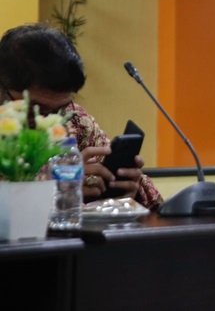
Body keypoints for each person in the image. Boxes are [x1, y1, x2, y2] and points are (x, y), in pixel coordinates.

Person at [0, 24, 162, 209]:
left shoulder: (76, 122)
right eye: (33, 111)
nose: (49, 123)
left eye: (59, 110)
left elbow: (155, 206)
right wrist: (47, 192)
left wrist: (128, 192)